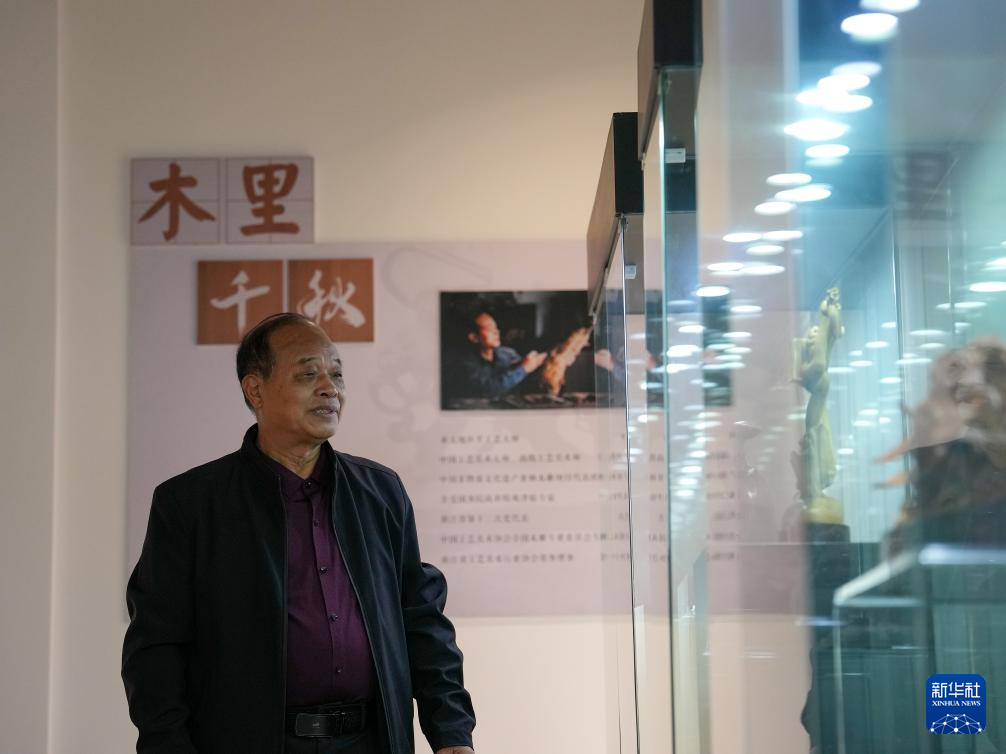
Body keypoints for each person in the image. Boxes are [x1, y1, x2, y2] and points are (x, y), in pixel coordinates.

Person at [122, 313, 476, 754]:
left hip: (372, 740)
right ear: (255, 390)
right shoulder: (191, 503)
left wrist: (452, 734)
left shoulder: (380, 492)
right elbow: (155, 649)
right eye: (309, 374)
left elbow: (422, 620)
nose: (330, 388)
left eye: (337, 375)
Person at [455, 311, 547, 399]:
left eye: (496, 327)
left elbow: (525, 381)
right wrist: (524, 369)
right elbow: (488, 390)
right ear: (474, 337)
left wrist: (537, 363)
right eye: (490, 328)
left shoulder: (508, 354)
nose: (496, 332)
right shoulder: (464, 363)